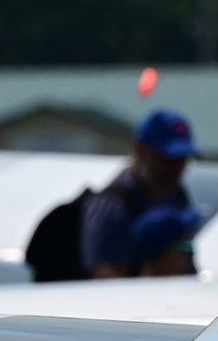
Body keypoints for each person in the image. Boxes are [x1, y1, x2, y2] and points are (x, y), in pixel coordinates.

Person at [80, 109, 199, 280]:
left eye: (182, 159)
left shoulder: (177, 195)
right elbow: (105, 280)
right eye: (167, 158)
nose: (176, 168)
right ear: (140, 149)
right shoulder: (111, 205)